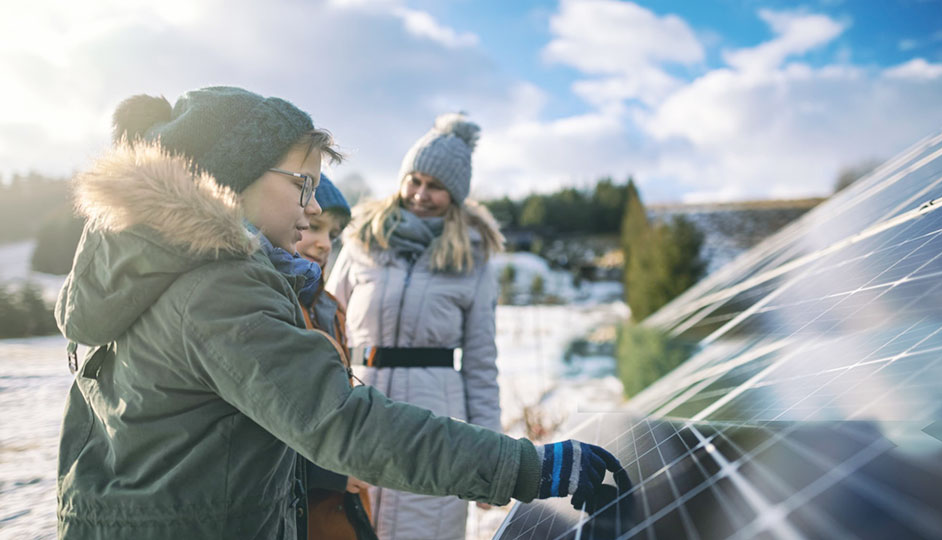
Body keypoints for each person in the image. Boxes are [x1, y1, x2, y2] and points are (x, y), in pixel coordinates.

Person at [55, 86, 627, 540]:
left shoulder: (146, 267)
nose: (311, 209)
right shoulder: (216, 288)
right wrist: (525, 467)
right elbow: (341, 421)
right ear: (233, 176)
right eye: (302, 184)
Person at [324, 113, 500, 540]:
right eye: (414, 180)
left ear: (454, 195)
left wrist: (491, 458)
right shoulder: (361, 240)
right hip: (360, 407)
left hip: (436, 417)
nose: (420, 194)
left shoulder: (473, 259)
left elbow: (480, 363)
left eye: (435, 186)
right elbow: (326, 329)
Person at [295, 176, 376, 540]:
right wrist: (330, 472)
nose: (324, 244)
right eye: (313, 227)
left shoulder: (330, 308)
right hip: (303, 509)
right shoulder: (267, 308)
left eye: (333, 233)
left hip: (344, 506)